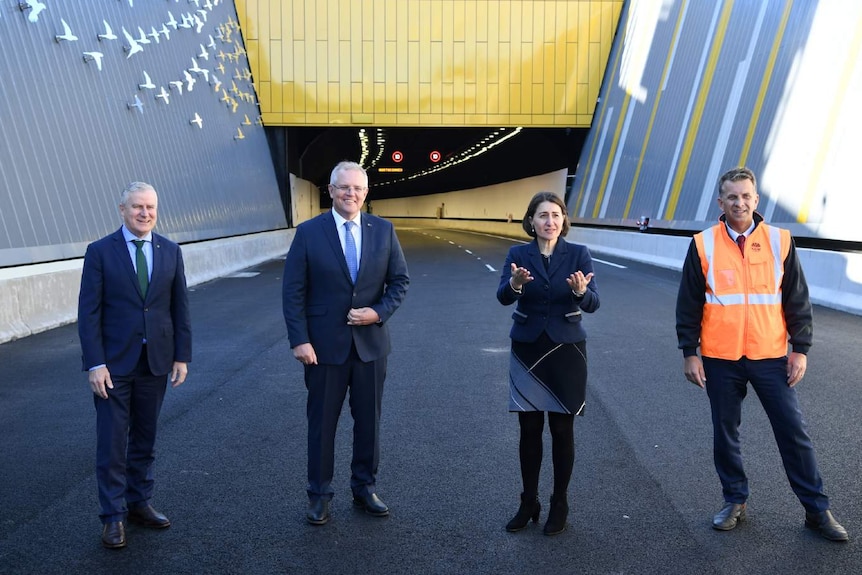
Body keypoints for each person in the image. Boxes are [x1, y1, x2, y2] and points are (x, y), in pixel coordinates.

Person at [676, 166, 848, 542]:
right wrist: (690, 352)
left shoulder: (779, 240)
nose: (739, 203)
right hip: (720, 357)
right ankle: (734, 500)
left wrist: (800, 349)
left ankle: (817, 511)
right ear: (720, 202)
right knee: (725, 433)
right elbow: (688, 303)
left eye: (746, 196)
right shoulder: (703, 243)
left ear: (756, 200)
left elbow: (797, 299)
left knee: (793, 431)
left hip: (770, 355)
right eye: (732, 197)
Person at [283, 161, 409, 526]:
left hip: (370, 346)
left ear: (366, 193)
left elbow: (400, 282)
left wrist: (378, 312)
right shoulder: (309, 233)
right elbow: (293, 291)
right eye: (343, 187)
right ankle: (319, 494)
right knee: (322, 424)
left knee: (369, 422)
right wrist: (299, 340)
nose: (350, 193)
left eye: (357, 188)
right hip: (323, 349)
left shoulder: (383, 231)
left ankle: (364, 487)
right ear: (331, 190)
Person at [78, 181, 192, 549]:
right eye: (137, 207)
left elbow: (180, 308)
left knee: (145, 438)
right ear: (122, 209)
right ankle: (112, 517)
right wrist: (95, 363)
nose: (145, 214)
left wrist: (181, 355)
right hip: (113, 365)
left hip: (155, 361)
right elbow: (89, 313)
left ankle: (139, 502)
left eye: (151, 208)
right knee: (112, 442)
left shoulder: (171, 251)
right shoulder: (99, 252)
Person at [496, 191, 599, 536]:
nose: (550, 221)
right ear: (531, 221)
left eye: (556, 215)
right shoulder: (517, 254)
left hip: (567, 349)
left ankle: (559, 502)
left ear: (563, 219)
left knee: (561, 430)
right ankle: (528, 501)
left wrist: (581, 293)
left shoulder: (578, 255)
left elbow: (594, 304)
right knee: (528, 431)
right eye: (543, 215)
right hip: (527, 347)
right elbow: (502, 296)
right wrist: (515, 284)